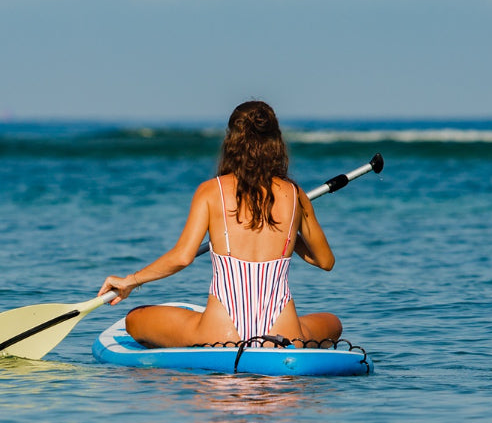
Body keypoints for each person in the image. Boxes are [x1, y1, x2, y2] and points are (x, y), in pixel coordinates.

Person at [99, 100, 342, 348]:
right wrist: (288, 230)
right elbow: (325, 261)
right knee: (333, 323)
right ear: (276, 141)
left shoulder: (210, 191)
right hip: (283, 335)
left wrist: (131, 280)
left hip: (220, 334)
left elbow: (182, 257)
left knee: (134, 319)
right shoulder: (295, 195)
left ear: (231, 140)